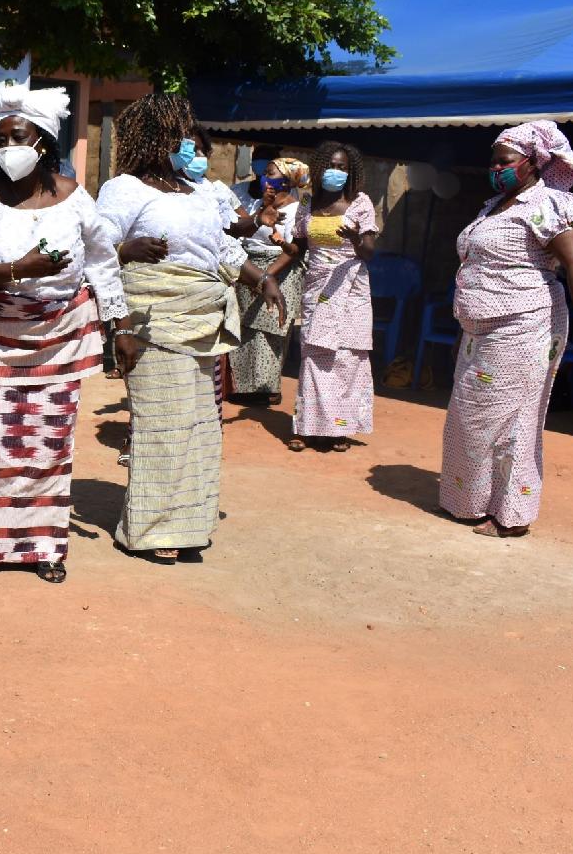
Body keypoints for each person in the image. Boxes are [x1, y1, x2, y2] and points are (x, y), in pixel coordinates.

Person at [0, 84, 130, 586]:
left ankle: (42, 544)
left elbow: (103, 261)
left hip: (61, 335)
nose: (6, 149)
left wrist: (120, 322)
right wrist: (16, 270)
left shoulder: (74, 197)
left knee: (50, 443)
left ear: (42, 141)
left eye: (16, 137)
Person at [99, 94, 285, 562]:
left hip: (204, 318)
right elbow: (96, 254)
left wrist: (263, 280)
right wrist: (118, 320)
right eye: (177, 131)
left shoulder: (200, 192)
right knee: (164, 425)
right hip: (150, 320)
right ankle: (150, 531)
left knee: (200, 427)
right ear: (154, 136)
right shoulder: (126, 190)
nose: (188, 142)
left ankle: (188, 525)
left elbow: (221, 249)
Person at [440, 121, 573, 538]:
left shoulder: (549, 204)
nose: (496, 167)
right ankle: (470, 501)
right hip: (481, 331)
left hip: (525, 325)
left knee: (512, 420)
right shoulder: (494, 206)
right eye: (493, 160)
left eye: (505, 160)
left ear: (533, 164)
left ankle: (511, 515)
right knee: (472, 416)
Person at [290, 141, 377, 453]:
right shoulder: (307, 204)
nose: (336, 172)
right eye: (331, 166)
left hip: (351, 290)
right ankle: (306, 427)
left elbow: (368, 251)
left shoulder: (360, 203)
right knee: (314, 356)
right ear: (318, 168)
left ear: (350, 172)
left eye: (342, 167)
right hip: (317, 289)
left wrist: (355, 237)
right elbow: (297, 247)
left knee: (347, 360)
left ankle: (339, 430)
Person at [228, 156, 308, 405]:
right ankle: (243, 387)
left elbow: (295, 250)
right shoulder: (256, 206)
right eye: (266, 173)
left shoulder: (298, 210)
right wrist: (252, 275)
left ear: (287, 181)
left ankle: (267, 387)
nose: (265, 177)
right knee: (247, 329)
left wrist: (266, 277)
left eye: (271, 173)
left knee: (271, 330)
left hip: (279, 272)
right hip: (250, 268)